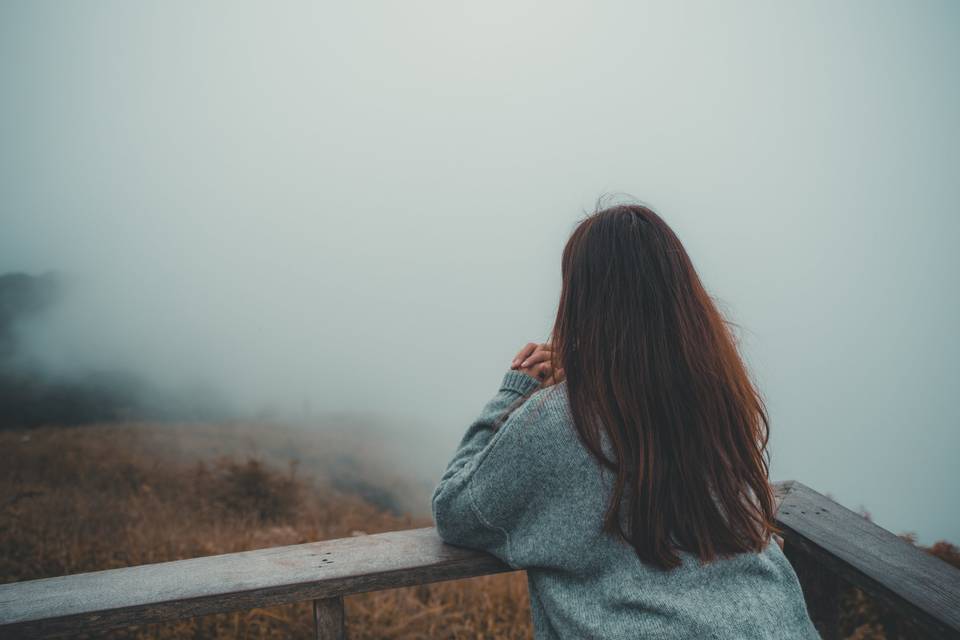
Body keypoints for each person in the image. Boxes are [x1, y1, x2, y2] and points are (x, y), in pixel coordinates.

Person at [431, 203, 820, 639]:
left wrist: (514, 392)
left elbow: (457, 511)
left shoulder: (562, 418)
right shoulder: (716, 392)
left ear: (583, 300)